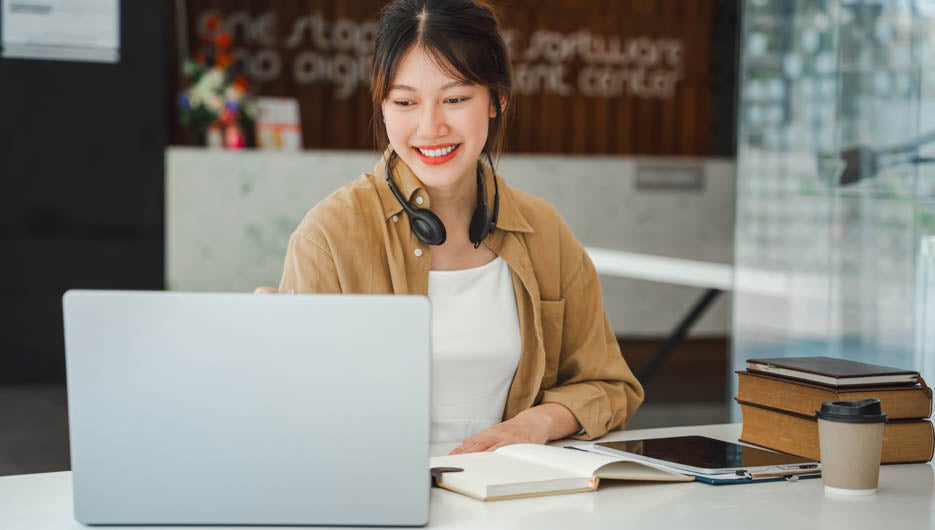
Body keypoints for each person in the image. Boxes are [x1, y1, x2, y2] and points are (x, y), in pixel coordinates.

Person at [268, 0, 643, 454]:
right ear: (383, 106)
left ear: (496, 100)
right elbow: (293, 413)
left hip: (514, 502)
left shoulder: (544, 231)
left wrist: (535, 425)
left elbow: (608, 385)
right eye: (405, 102)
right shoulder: (327, 237)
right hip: (378, 506)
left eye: (455, 99)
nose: (430, 127)